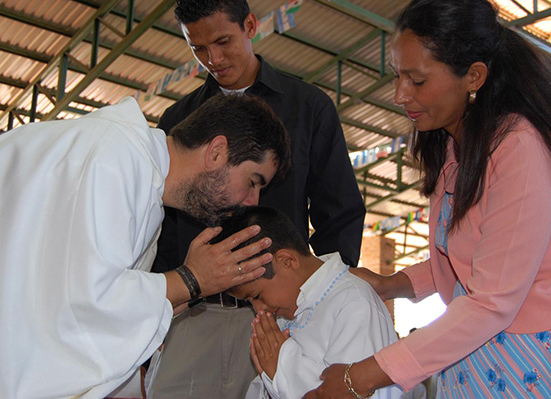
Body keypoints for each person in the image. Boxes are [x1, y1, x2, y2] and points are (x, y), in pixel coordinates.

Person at [0, 93, 290, 399]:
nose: (251, 200)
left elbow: (96, 309)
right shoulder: (113, 158)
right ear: (217, 152)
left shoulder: (141, 184)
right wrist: (191, 279)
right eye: (252, 181)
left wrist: (186, 290)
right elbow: (81, 302)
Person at [304, 0, 551, 398]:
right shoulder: (453, 148)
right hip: (473, 352)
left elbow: (491, 300)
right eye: (398, 76)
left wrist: (362, 376)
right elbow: (460, 260)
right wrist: (390, 285)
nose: (401, 95)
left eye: (417, 81)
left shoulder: (517, 148)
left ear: (473, 77)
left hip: (522, 359)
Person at [148, 1, 366, 397]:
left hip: (282, 318)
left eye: (222, 41)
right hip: (194, 315)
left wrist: (324, 297)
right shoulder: (177, 121)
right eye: (198, 49)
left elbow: (340, 212)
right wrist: (160, 310)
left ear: (250, 25)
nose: (213, 59)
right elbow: (161, 226)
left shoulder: (309, 108)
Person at [214, 206, 403, 399]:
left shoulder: (353, 303)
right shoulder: (287, 308)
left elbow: (347, 392)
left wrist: (283, 366)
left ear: (287, 261)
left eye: (257, 296)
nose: (260, 310)